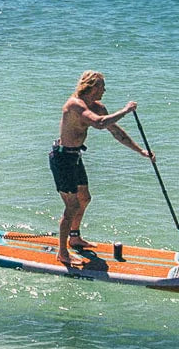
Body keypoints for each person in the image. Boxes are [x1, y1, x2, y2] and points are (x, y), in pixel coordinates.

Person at [52, 71, 151, 265]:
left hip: (75, 157)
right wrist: (125, 110)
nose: (105, 90)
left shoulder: (98, 107)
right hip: (62, 158)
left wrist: (140, 151)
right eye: (102, 86)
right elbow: (99, 123)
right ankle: (62, 253)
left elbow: (115, 132)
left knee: (84, 198)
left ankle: (74, 237)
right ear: (92, 87)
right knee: (71, 206)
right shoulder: (74, 104)